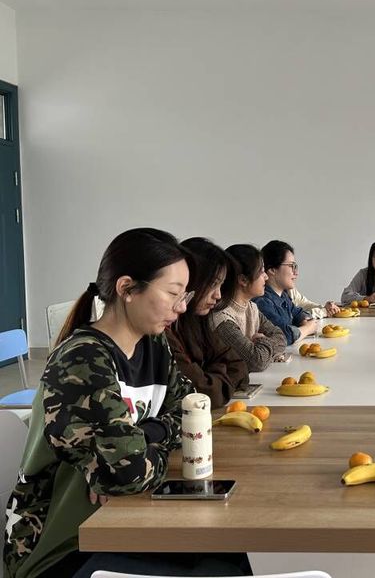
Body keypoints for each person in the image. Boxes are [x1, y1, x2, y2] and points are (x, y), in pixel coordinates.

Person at [3, 228, 252, 578]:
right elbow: (128, 474)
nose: (182, 307)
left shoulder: (154, 345)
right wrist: (135, 454)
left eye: (185, 295)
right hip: (67, 550)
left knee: (235, 554)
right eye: (173, 294)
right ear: (127, 289)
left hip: (127, 525)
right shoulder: (82, 361)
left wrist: (144, 435)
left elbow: (193, 413)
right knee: (227, 569)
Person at [166, 237, 249, 409]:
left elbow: (239, 366)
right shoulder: (164, 329)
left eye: (221, 286)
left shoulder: (197, 321)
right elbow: (204, 393)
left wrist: (209, 373)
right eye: (213, 284)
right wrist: (217, 370)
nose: (218, 295)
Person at [210, 244, 287, 372]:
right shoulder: (222, 319)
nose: (266, 277)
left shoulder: (251, 308)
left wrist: (261, 344)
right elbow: (257, 361)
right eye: (261, 272)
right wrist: (263, 340)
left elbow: (280, 337)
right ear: (243, 280)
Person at [254, 240, 318, 345]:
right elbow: (282, 336)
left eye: (295, 266)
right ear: (272, 269)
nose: (296, 272)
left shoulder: (283, 295)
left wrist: (303, 321)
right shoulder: (262, 301)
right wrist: (307, 329)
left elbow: (298, 313)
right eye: (291, 266)